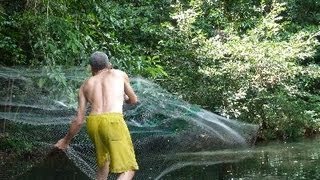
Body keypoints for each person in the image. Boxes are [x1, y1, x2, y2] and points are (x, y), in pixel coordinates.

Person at [54, 51, 139, 180]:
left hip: (93, 122)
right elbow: (133, 100)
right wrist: (125, 97)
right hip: (113, 121)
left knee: (103, 164)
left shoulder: (85, 85)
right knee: (129, 169)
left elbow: (79, 120)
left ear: (92, 68)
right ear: (109, 64)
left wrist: (65, 141)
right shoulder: (119, 74)